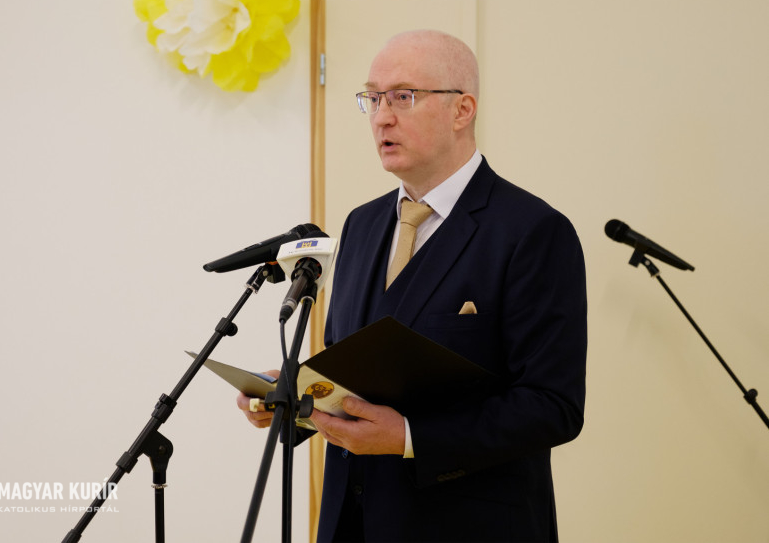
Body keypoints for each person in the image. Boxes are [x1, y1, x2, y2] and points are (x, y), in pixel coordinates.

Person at [238, 29, 587, 542]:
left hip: (466, 526)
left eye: (403, 96)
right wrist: (297, 399)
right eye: (373, 98)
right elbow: (355, 373)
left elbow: (553, 407)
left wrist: (407, 436)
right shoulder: (361, 224)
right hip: (349, 522)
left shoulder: (532, 231)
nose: (381, 116)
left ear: (462, 110)